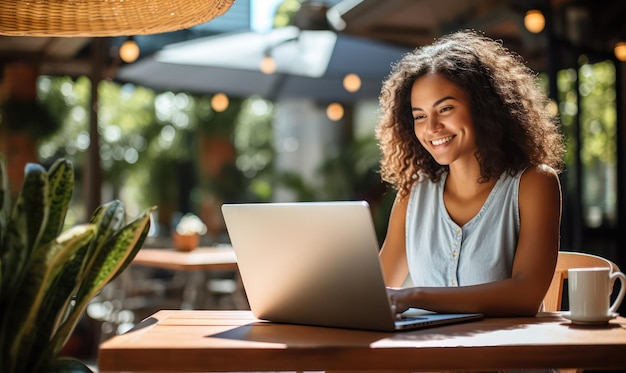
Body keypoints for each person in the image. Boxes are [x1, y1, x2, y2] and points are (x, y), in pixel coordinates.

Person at [377, 29, 565, 318]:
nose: (431, 128)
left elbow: (526, 296)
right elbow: (376, 291)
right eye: (420, 116)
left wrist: (414, 296)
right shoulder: (414, 192)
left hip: (506, 360)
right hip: (431, 360)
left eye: (446, 108)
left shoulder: (534, 183)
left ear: (483, 108)